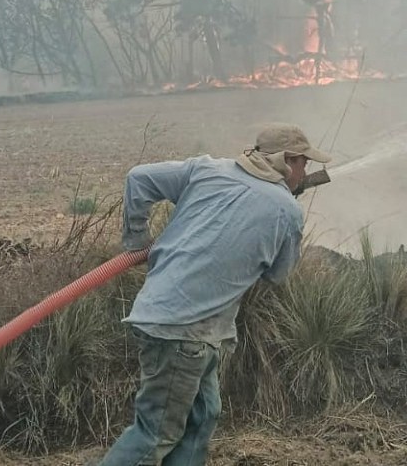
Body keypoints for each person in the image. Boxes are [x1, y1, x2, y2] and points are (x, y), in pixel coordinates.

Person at [93, 123, 331, 466]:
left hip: (184, 325)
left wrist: (137, 241)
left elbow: (139, 178)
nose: (305, 171)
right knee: (156, 434)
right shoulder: (286, 210)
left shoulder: (208, 169)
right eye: (303, 163)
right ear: (287, 161)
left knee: (203, 416)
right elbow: (279, 276)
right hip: (184, 332)